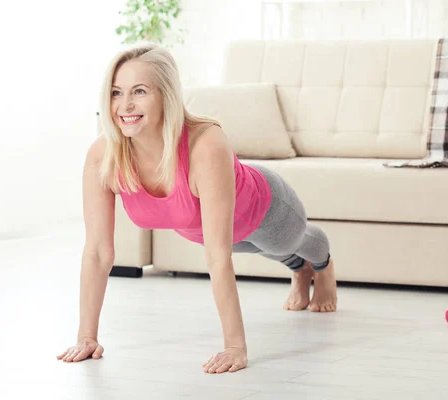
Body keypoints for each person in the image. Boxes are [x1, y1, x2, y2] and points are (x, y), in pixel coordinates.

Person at [56, 43, 338, 374]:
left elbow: (218, 260)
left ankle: (322, 266)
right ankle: (299, 270)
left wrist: (235, 347)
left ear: (166, 96)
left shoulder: (205, 144)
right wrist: (86, 337)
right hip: (205, 231)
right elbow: (98, 253)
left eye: (140, 91)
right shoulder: (104, 155)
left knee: (288, 242)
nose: (125, 105)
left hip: (265, 210)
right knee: (262, 250)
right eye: (116, 92)